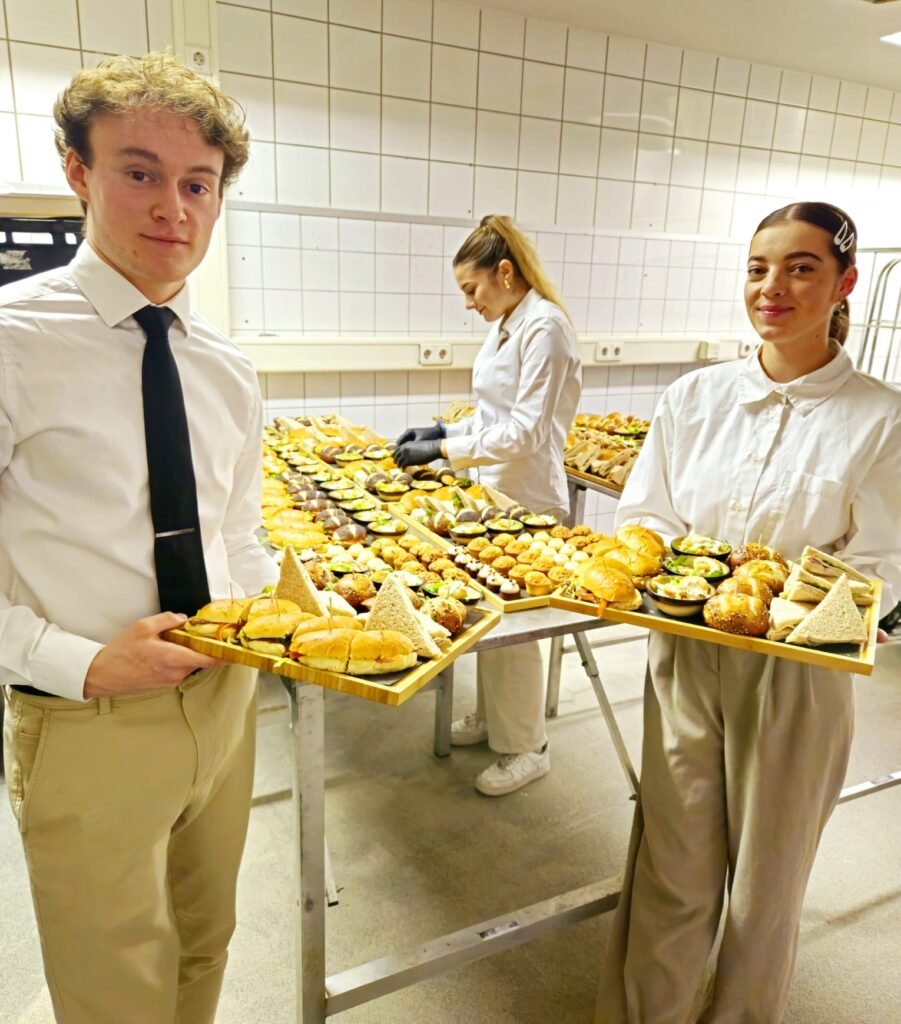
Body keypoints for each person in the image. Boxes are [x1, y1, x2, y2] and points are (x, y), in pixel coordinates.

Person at [0, 54, 278, 1024]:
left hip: (224, 698)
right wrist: (80, 662)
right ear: (77, 172)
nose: (173, 208)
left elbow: (236, 531)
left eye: (198, 183)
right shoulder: (13, 342)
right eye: (139, 172)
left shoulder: (228, 369)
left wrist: (283, 615)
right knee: (113, 985)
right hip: (89, 720)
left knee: (205, 942)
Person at [597, 202, 901, 1023]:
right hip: (683, 654)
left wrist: (801, 603)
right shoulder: (694, 398)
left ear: (843, 284)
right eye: (758, 268)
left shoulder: (881, 418)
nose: (772, 288)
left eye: (801, 268)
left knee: (764, 891)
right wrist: (681, 571)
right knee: (670, 867)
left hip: (797, 676)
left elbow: (883, 564)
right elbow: (644, 515)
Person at [395, 215, 582, 796]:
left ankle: (528, 747)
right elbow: (493, 414)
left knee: (517, 634)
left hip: (529, 496)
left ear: (504, 272)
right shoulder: (505, 324)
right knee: (491, 618)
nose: (469, 303)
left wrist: (442, 451)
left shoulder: (545, 328)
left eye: (471, 289)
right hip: (493, 492)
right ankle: (494, 716)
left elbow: (525, 431)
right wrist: (443, 429)